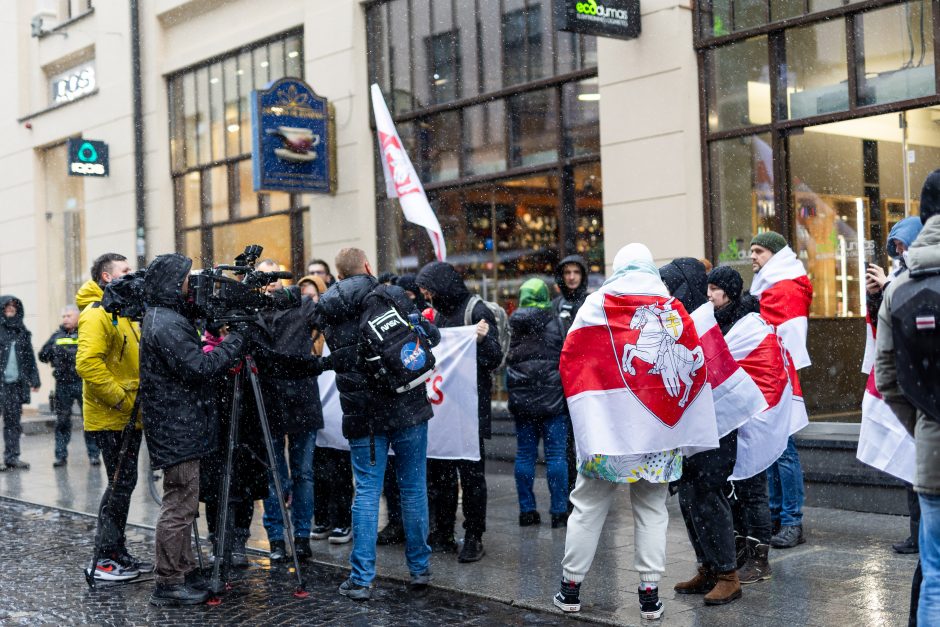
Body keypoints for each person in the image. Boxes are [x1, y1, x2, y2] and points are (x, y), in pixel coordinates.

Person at [553, 244, 719, 621]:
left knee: (588, 507)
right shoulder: (672, 307)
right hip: (659, 434)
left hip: (609, 433)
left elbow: (572, 360)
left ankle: (570, 589)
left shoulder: (596, 304)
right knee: (651, 510)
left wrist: (590, 411)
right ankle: (649, 596)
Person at [316, 247, 440, 600]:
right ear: (368, 266)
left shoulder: (330, 310)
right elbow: (430, 339)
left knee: (367, 492)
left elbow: (339, 360)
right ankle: (419, 570)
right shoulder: (391, 295)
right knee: (413, 488)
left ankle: (361, 578)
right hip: (407, 407)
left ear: (338, 275)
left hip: (363, 415)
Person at [139, 253, 246, 606]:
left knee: (184, 502)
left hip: (180, 422)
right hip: (177, 425)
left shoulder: (166, 317)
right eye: (187, 279)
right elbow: (199, 366)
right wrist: (235, 342)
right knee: (180, 503)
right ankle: (168, 583)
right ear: (173, 283)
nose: (192, 286)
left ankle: (181, 570)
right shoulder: (165, 323)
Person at [875, 173, 940, 627]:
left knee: (935, 577)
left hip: (934, 457)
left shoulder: (899, 287)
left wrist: (924, 424)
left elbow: (888, 380)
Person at [666, 262, 743, 605]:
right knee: (688, 498)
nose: (667, 295)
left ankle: (728, 574)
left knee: (709, 496)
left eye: (671, 288)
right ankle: (708, 567)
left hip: (716, 428)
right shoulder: (688, 321)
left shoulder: (717, 323)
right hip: (693, 427)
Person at [416, 261, 503, 563]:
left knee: (471, 476)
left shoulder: (476, 311)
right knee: (440, 474)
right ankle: (443, 531)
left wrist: (479, 341)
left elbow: (495, 357)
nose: (424, 294)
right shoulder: (437, 314)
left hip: (469, 409)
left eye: (427, 287)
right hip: (443, 408)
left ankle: (474, 535)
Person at [76, 253, 151, 582]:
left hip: (129, 415)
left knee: (124, 483)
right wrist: (121, 399)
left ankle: (116, 550)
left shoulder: (123, 312)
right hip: (112, 415)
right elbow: (88, 363)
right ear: (107, 277)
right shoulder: (97, 314)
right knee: (120, 484)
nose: (131, 275)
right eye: (125, 271)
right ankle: (105, 558)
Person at [254, 259, 332, 559]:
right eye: (265, 277)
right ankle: (275, 537)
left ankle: (301, 536)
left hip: (301, 398)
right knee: (274, 475)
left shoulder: (300, 305)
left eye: (275, 276)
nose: (271, 282)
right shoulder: (251, 310)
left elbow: (326, 321)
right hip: (267, 400)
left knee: (303, 473)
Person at [864, 216, 923, 556]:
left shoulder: (919, 276)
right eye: (895, 246)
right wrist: (876, 296)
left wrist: (887, 290)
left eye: (903, 245)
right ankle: (917, 533)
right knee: (912, 465)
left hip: (923, 381)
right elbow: (882, 324)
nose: (899, 252)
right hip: (909, 380)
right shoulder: (899, 275)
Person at [749, 231, 812, 549]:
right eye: (751, 251)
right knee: (772, 447)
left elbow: (787, 336)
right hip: (768, 373)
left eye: (759, 251)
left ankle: (791, 520)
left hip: (779, 376)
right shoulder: (771, 285)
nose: (753, 256)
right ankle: (778, 516)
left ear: (775, 254)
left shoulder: (785, 286)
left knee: (783, 449)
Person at [507, 278, 569, 528]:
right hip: (553, 400)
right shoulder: (557, 323)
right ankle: (559, 511)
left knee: (524, 455)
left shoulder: (513, 325)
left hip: (522, 402)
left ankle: (527, 511)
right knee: (556, 456)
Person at [39, 304, 100, 467]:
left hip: (83, 383)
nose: (65, 319)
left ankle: (94, 455)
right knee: (62, 421)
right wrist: (52, 351)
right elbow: (43, 355)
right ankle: (60, 456)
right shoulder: (56, 336)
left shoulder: (85, 333)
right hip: (63, 385)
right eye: (64, 316)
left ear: (78, 317)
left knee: (89, 420)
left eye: (69, 316)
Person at [552, 254, 589, 501]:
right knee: (565, 444)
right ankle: (569, 494)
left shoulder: (590, 302)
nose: (572, 277)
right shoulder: (555, 305)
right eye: (567, 273)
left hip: (586, 380)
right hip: (560, 382)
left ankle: (588, 490)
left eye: (576, 272)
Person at [0, 295, 40, 471]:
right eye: (7, 305)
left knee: (13, 423)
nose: (10, 308)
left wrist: (35, 378)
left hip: (15, 385)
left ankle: (12, 457)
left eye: (13, 305)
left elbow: (29, 357)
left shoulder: (22, 331)